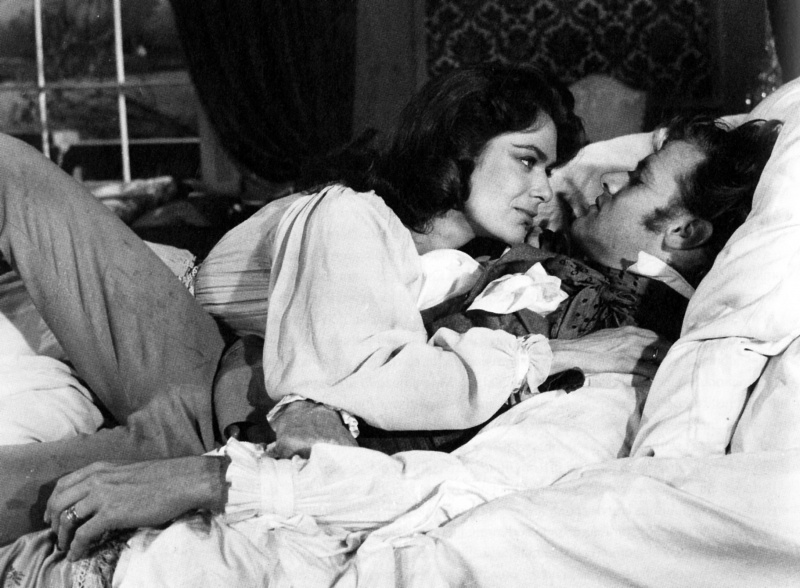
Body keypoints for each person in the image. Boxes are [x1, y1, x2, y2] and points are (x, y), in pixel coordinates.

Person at [1, 109, 780, 584]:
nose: (603, 184)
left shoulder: (622, 350)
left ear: (684, 232)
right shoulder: (544, 251)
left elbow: (452, 480)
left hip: (227, 434)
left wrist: (221, 477)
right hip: (220, 356)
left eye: (637, 180)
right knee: (11, 168)